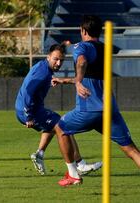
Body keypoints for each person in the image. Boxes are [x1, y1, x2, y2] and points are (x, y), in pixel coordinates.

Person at [53, 15, 140, 186]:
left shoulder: (81, 46)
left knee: (60, 128)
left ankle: (73, 174)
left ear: (83, 30)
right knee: (131, 150)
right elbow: (92, 76)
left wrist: (77, 81)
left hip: (89, 109)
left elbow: (82, 62)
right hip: (109, 109)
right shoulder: (105, 48)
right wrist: (68, 81)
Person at [15, 44, 102, 176]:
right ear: (48, 57)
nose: (59, 63)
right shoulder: (43, 72)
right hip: (27, 111)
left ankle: (39, 154)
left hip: (33, 109)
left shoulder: (45, 68)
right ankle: (80, 165)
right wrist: (28, 117)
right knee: (64, 125)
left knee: (53, 124)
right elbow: (28, 91)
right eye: (56, 59)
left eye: (61, 60)